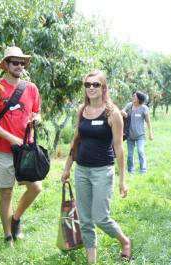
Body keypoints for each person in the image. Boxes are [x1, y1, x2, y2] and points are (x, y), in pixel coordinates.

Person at [61, 71, 132, 263]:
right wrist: (67, 167)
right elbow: (76, 140)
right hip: (81, 170)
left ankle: (125, 241)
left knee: (100, 217)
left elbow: (119, 148)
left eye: (96, 84)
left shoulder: (113, 113)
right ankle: (91, 260)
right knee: (85, 220)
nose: (91, 88)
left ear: (103, 88)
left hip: (103, 172)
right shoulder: (81, 110)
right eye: (87, 84)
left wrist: (122, 180)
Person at [0, 46, 42, 246]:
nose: (20, 66)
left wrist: (37, 119)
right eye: (15, 62)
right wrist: (11, 138)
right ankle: (8, 236)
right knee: (6, 192)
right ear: (5, 65)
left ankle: (16, 218)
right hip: (3, 150)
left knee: (36, 188)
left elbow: (37, 111)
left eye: (22, 63)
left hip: (26, 150)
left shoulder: (31, 88)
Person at [121, 91, 153, 174]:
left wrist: (150, 132)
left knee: (140, 151)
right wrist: (124, 113)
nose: (132, 97)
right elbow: (122, 111)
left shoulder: (144, 108)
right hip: (130, 135)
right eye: (132, 96)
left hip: (140, 135)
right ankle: (131, 170)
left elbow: (148, 121)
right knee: (130, 154)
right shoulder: (129, 105)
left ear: (139, 98)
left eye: (134, 96)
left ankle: (143, 170)